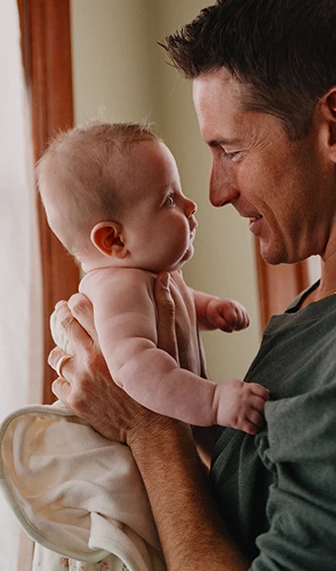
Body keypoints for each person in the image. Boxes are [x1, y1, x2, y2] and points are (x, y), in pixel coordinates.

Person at [47, 0, 336, 570]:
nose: (214, 193)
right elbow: (282, 483)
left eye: (231, 151)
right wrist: (195, 406)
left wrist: (149, 429)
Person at [37, 121, 268, 434]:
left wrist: (206, 309)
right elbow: (134, 368)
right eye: (169, 200)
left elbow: (168, 308)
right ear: (114, 240)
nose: (191, 205)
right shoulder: (117, 290)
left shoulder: (147, 276)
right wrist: (214, 401)